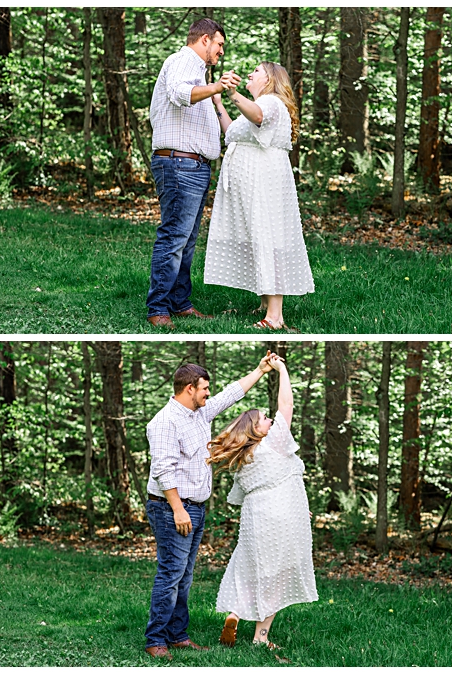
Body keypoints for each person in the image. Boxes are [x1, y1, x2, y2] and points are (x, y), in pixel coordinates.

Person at [144, 355, 276, 660]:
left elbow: (231, 394)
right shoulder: (165, 421)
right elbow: (163, 470)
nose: (208, 393)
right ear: (189, 388)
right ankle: (156, 640)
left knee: (185, 575)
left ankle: (178, 635)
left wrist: (259, 369)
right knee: (171, 573)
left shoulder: (198, 414)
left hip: (195, 507)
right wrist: (177, 509)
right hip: (171, 508)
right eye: (204, 388)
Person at [209, 353, 318, 650]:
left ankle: (235, 614)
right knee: (278, 574)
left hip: (255, 518)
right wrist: (281, 369)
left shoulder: (243, 457)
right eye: (264, 419)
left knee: (249, 569)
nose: (270, 419)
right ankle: (261, 638)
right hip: (282, 516)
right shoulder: (274, 443)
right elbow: (287, 406)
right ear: (255, 429)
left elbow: (244, 494)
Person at [203, 62, 315, 331]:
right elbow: (232, 133)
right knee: (257, 237)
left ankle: (275, 317)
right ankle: (266, 302)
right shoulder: (257, 105)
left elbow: (258, 117)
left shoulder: (272, 103)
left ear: (269, 80)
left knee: (268, 237)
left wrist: (233, 95)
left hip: (266, 182)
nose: (250, 74)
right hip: (251, 185)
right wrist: (219, 103)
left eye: (256, 71)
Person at [146, 17, 241, 330]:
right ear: (205, 39)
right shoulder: (182, 60)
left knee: (186, 240)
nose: (221, 52)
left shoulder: (198, 71)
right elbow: (177, 93)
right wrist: (215, 86)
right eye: (219, 45)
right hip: (179, 164)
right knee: (174, 237)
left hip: (194, 166)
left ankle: (180, 302)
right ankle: (158, 308)